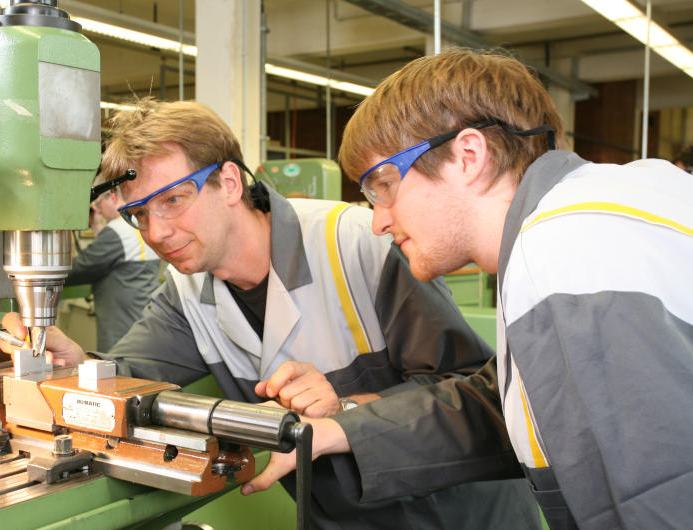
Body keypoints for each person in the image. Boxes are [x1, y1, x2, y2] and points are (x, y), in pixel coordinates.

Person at [2, 98, 541, 529]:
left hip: (454, 514)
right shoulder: (188, 290)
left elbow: (476, 396)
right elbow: (130, 375)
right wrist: (77, 364)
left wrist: (348, 405)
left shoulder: (355, 243)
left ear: (230, 183)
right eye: (139, 214)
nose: (157, 232)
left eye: (173, 200)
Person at [253, 48, 693, 529]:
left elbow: (657, 499)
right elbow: (493, 406)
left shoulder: (560, 254)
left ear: (467, 156)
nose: (378, 220)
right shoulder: (597, 210)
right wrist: (340, 430)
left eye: (383, 185)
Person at [65, 176, 161, 351]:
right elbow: (114, 255)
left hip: (120, 332)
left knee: (116, 373)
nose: (98, 211)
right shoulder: (140, 225)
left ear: (113, 196)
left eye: (99, 203)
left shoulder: (116, 233)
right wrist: (97, 229)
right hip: (144, 325)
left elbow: (80, 269)